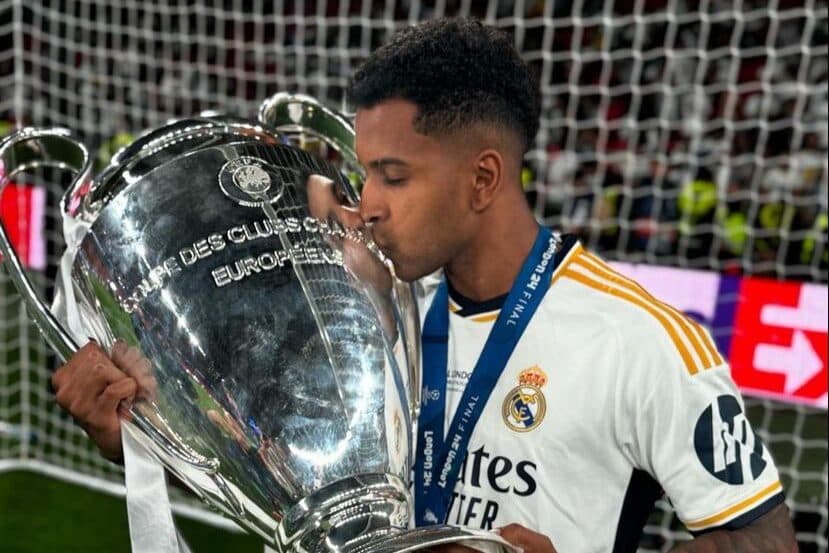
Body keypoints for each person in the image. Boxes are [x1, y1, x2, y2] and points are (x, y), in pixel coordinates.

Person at [52, 17, 798, 553]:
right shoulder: (377, 315)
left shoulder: (639, 338)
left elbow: (763, 539)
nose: (366, 199)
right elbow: (303, 502)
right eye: (365, 168)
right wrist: (152, 443)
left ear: (481, 179)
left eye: (393, 174)